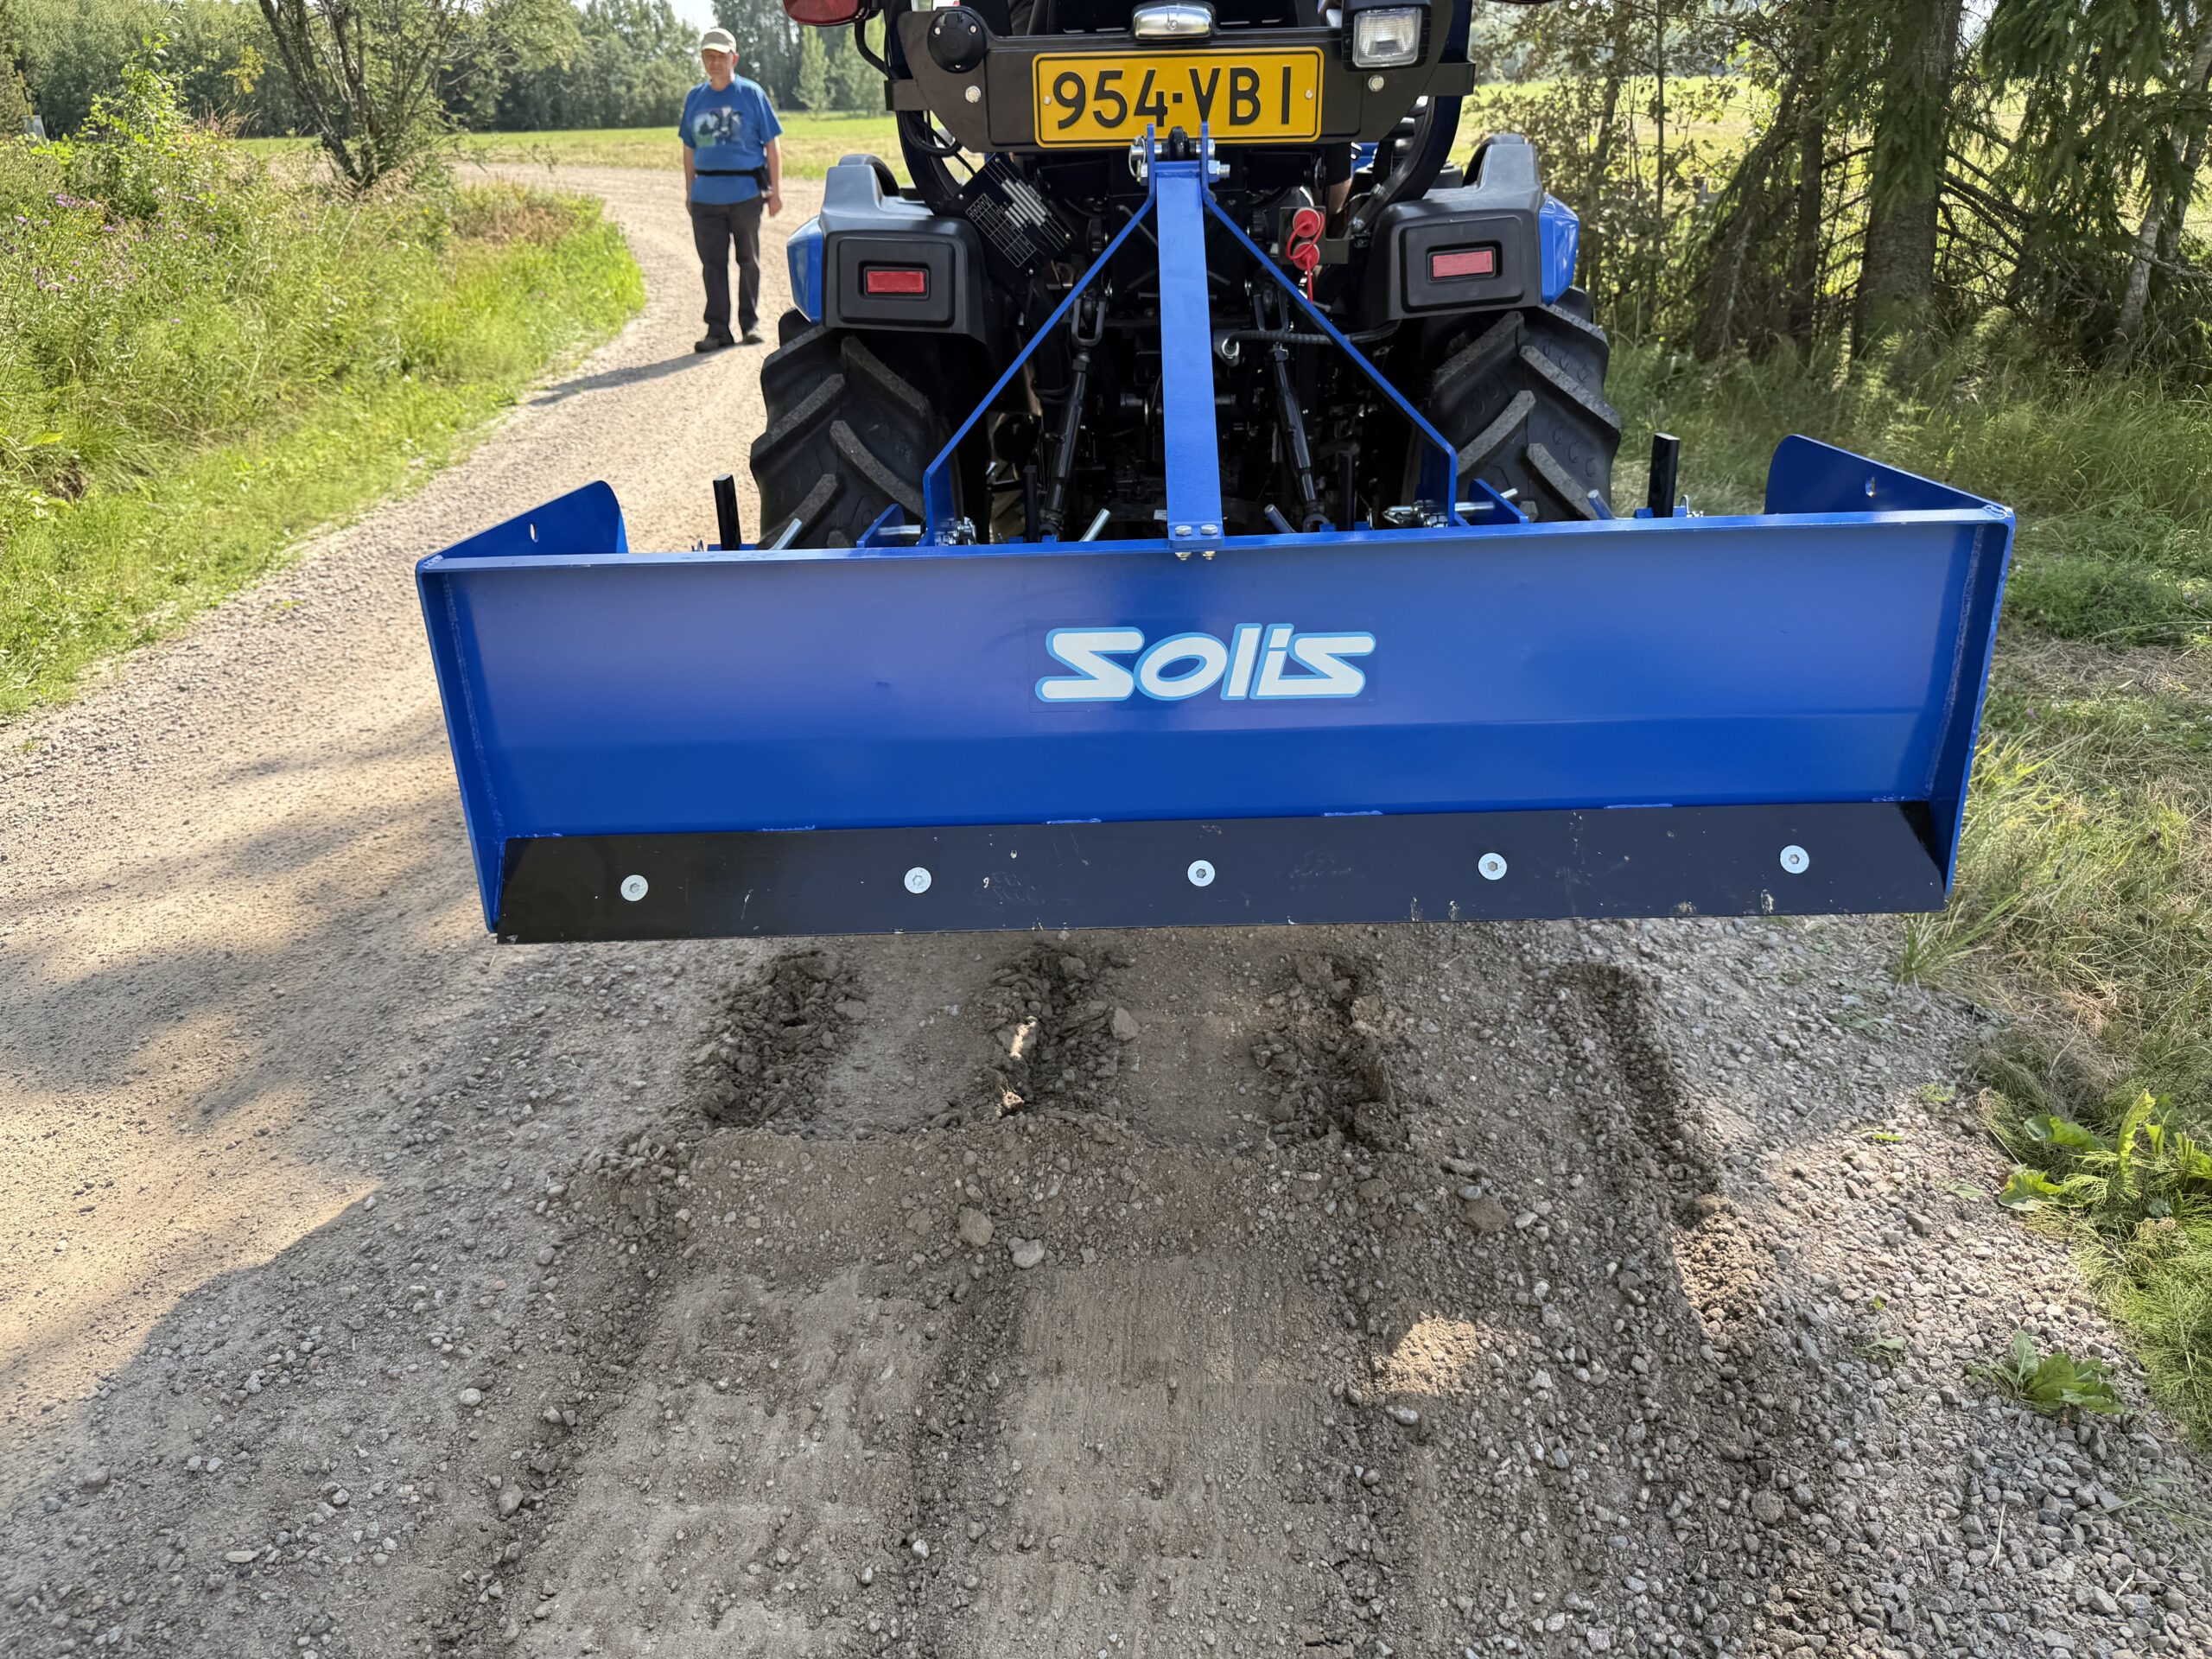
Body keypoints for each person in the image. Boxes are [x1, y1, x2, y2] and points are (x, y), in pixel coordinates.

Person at [681, 27, 784, 351]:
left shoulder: (751, 94)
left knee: (748, 261)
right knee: (712, 265)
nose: (714, 62)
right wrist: (689, 192)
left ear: (734, 59)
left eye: (721, 56)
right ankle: (717, 331)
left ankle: (749, 324)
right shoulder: (695, 98)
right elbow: (688, 148)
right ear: (702, 59)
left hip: (745, 194)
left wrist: (776, 192)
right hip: (706, 196)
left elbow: (772, 146)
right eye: (708, 56)